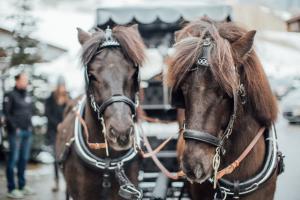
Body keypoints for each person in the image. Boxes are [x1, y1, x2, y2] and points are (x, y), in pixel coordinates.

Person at [3, 72, 34, 199]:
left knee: (23, 159)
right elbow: (6, 113)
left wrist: (30, 126)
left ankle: (22, 185)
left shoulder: (27, 95)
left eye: (27, 79)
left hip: (27, 131)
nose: (26, 82)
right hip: (16, 133)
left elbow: (29, 111)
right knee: (13, 160)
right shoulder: (10, 95)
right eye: (24, 79)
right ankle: (11, 188)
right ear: (17, 81)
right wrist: (14, 128)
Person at [45, 76, 69, 192]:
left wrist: (64, 124)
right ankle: (56, 180)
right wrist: (57, 125)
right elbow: (48, 114)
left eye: (63, 86)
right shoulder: (51, 98)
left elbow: (71, 113)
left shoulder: (68, 97)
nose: (62, 88)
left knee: (66, 158)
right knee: (56, 158)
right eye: (60, 86)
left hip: (65, 131)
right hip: (54, 131)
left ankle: (67, 181)